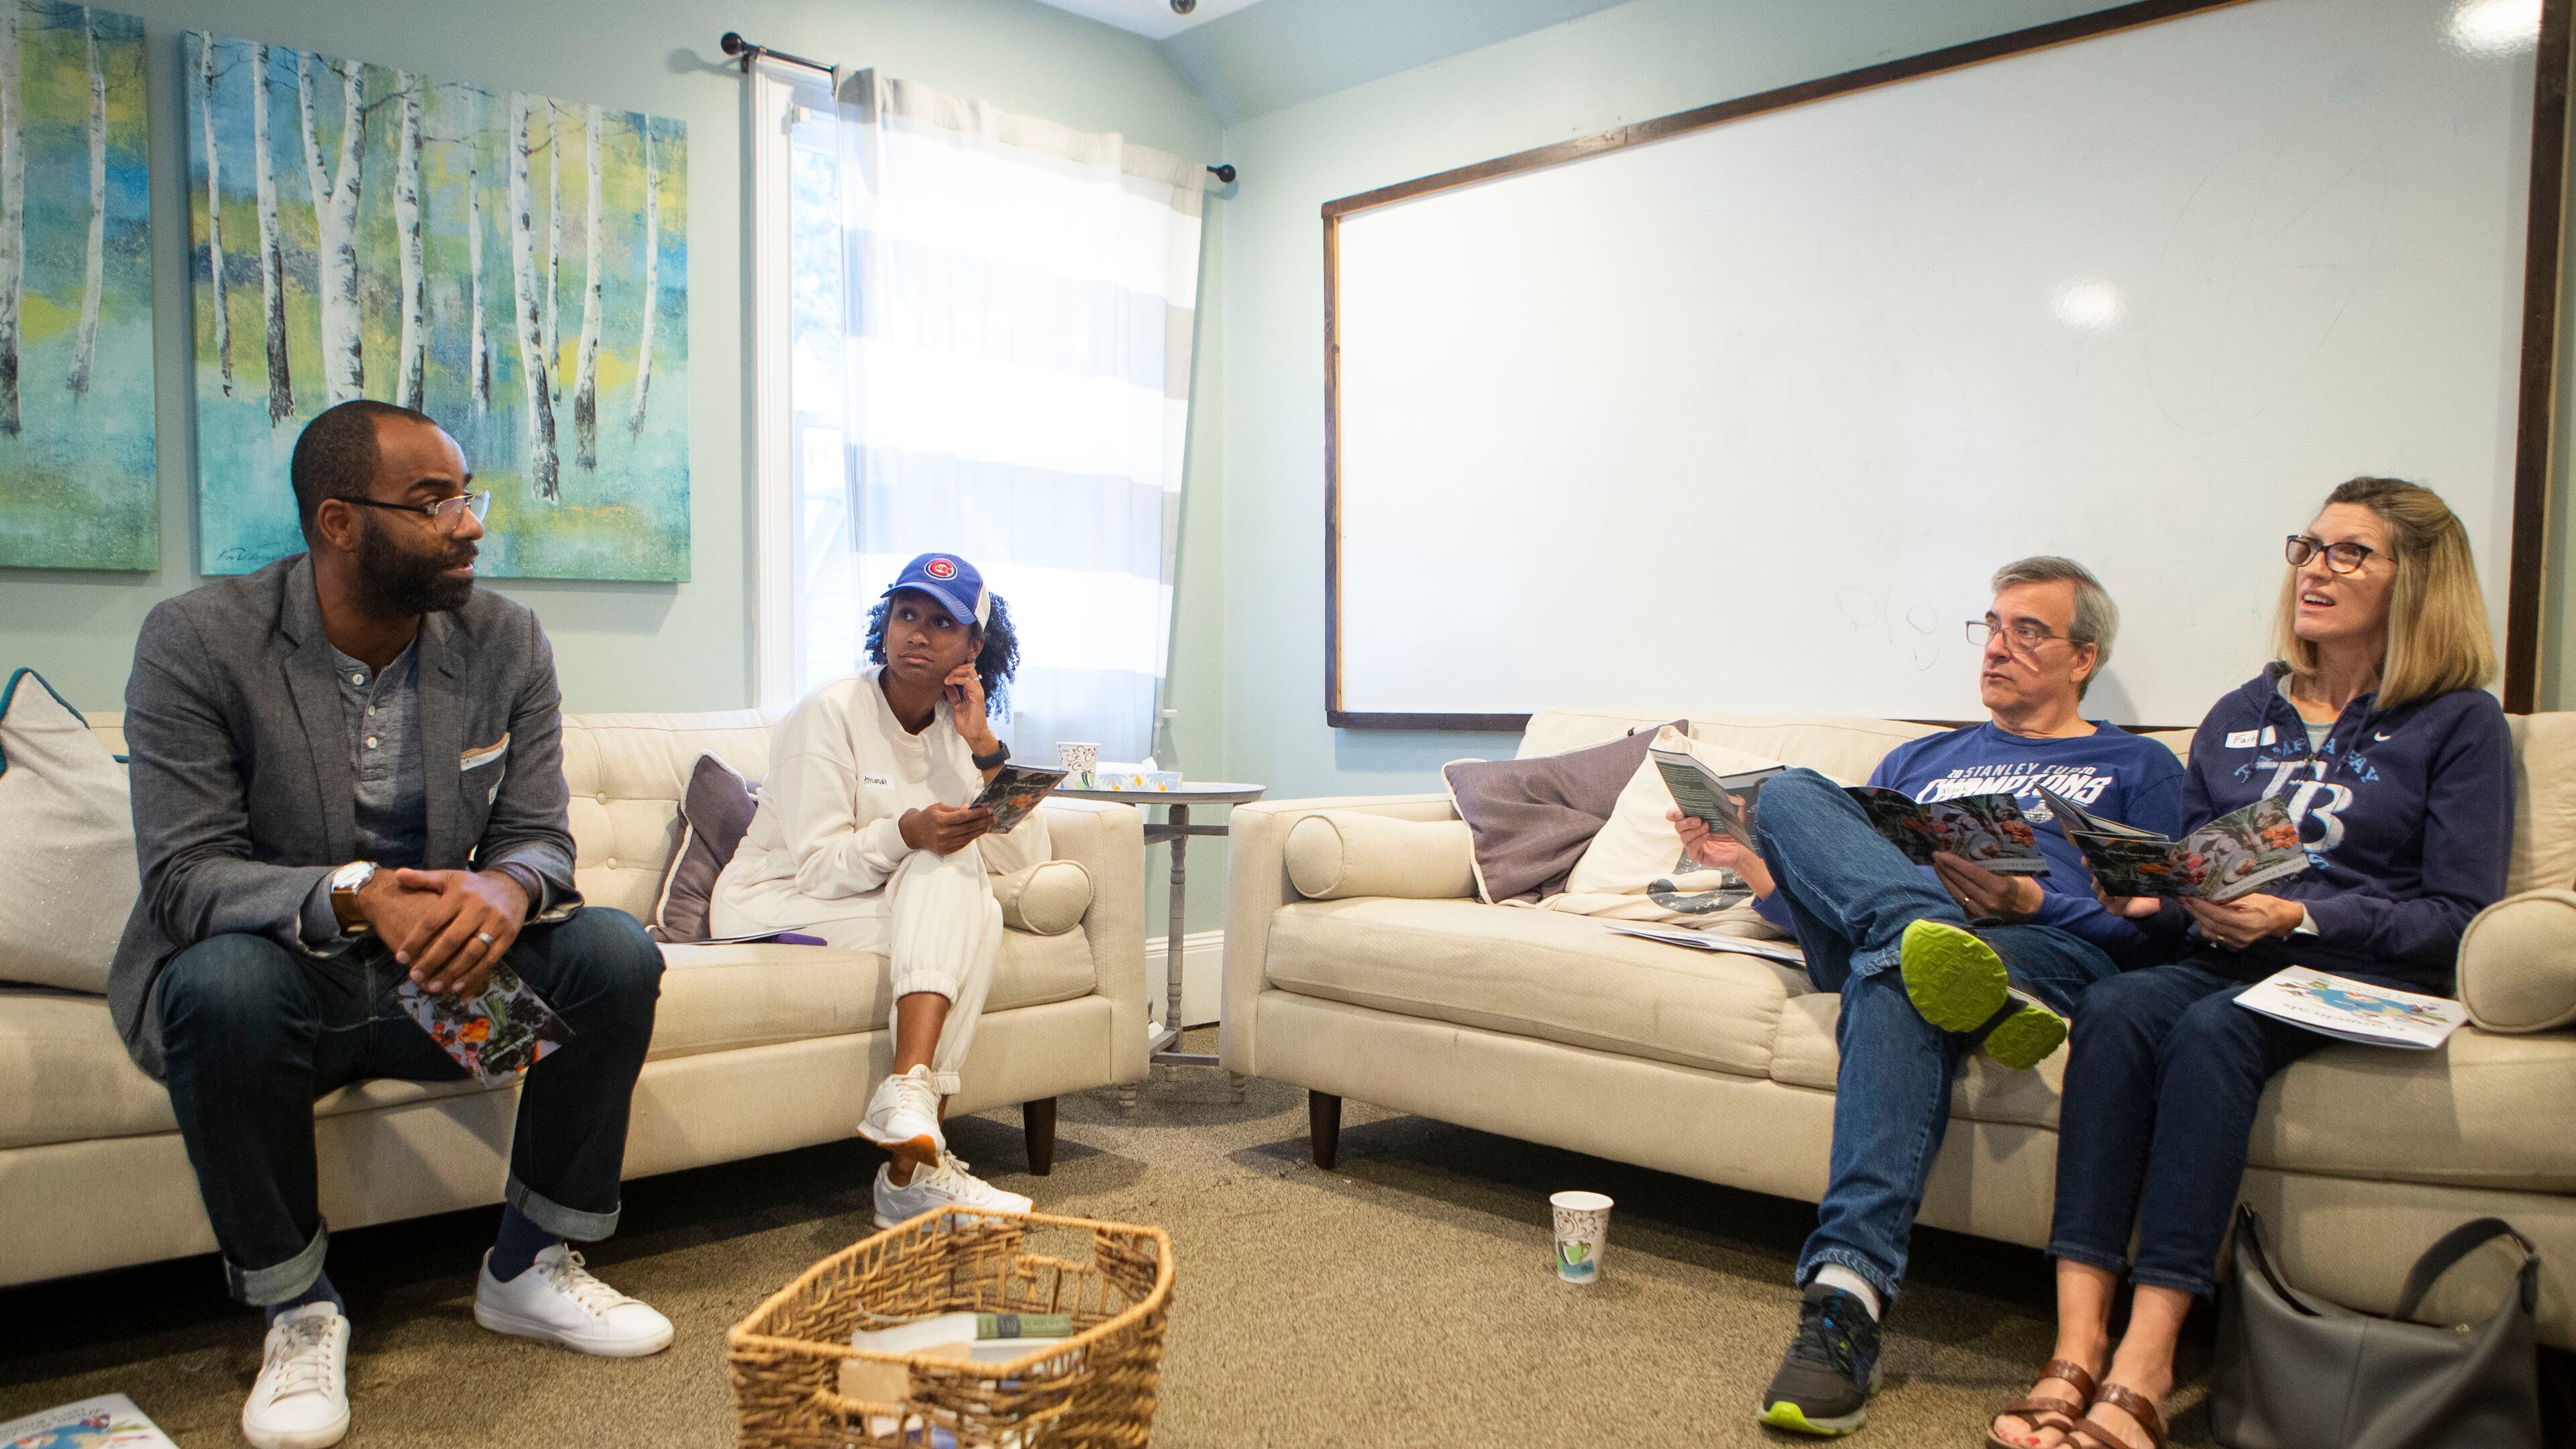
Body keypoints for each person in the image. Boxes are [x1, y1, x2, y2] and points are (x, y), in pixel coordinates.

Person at [111, 400, 673, 1449]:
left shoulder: (504, 639)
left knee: (612, 954)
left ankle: (528, 1265)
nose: (469, 524)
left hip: (445, 996)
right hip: (292, 992)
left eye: (468, 497)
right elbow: (184, 878)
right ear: (336, 523)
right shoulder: (198, 641)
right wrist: (358, 891)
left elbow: (541, 841)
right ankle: (299, 1306)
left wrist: (507, 892)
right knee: (216, 986)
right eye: (433, 503)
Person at [1991, 479, 2510, 1449]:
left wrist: (2300, 913)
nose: (2317, 569)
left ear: (2420, 580)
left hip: (2360, 970)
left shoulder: (2458, 722)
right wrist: (2150, 891)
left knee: (2208, 1031)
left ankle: (2147, 1362)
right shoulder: (2240, 713)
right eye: (2309, 547)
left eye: (2351, 553)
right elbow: (2197, 862)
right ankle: (2074, 1347)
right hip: (2229, 954)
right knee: (2118, 1008)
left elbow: (2460, 915)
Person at [1673, 557, 2190, 1437]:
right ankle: (1923, 936)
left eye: (2028, 631)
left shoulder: (2135, 763)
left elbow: (2162, 930)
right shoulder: (1919, 756)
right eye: (1990, 626)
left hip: (2043, 943)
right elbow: (1823, 906)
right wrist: (1751, 868)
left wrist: (2037, 900)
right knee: (1795, 793)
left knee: (1891, 973)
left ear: (2083, 657)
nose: (1998, 647)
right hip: (1909, 929)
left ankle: (1845, 1301)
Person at [711, 551, 1049, 1229]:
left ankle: (909, 1124)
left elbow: (1023, 856)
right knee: (957, 890)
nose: (916, 634)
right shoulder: (831, 712)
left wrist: (984, 743)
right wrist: (907, 832)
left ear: (973, 647)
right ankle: (912, 1167)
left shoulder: (962, 731)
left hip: (882, 902)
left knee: (970, 894)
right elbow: (816, 866)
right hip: (773, 899)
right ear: (885, 623)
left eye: (940, 623)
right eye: (905, 614)